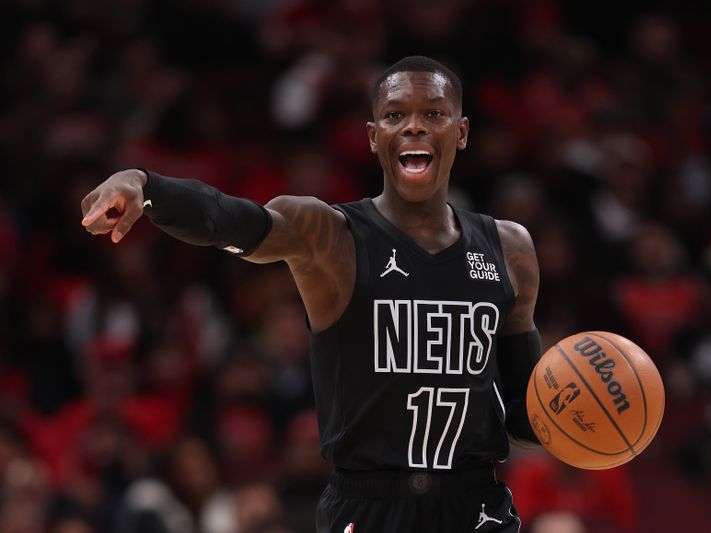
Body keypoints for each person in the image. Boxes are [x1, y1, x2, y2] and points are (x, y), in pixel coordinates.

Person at [81, 56, 542, 533]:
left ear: (462, 132)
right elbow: (231, 218)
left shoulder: (510, 250)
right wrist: (146, 185)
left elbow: (529, 422)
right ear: (372, 136)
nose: (413, 127)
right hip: (369, 506)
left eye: (433, 114)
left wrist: (592, 413)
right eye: (395, 115)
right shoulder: (331, 235)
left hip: (477, 507)